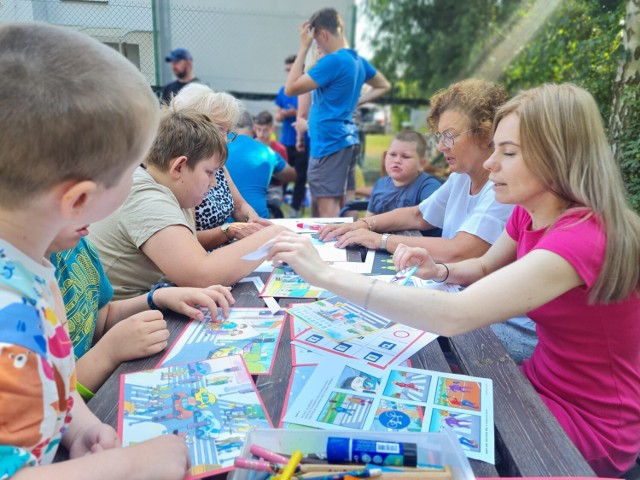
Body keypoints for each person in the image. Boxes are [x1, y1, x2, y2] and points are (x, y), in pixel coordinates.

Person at [266, 83, 640, 477]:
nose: (492, 163)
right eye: (495, 148)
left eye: (508, 152)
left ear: (557, 156)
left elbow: (455, 315)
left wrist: (324, 274)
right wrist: (438, 270)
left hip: (590, 425)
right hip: (532, 383)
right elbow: (481, 268)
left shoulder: (583, 236)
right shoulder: (529, 213)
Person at [0, 22, 190, 478]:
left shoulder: (32, 263)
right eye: (133, 169)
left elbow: (46, 379)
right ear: (80, 200)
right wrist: (131, 466)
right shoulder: (8, 311)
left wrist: (77, 425)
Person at [89, 110, 286, 300]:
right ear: (179, 167)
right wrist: (271, 237)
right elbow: (202, 276)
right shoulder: (145, 198)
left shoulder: (171, 189)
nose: (214, 183)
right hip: (123, 320)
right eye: (209, 172)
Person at [49, 231, 234, 400]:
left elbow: (101, 318)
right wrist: (108, 353)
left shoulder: (78, 246)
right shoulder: (26, 292)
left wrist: (158, 298)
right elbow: (49, 400)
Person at [285, 7, 391, 217]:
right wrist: (357, 102)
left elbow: (291, 88)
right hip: (347, 141)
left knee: (327, 212)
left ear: (323, 34)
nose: (316, 46)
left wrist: (303, 48)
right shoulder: (357, 61)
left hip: (328, 144)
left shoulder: (332, 61)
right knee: (347, 205)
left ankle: (330, 250)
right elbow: (383, 85)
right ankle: (351, 247)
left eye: (316, 41)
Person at [171, 83, 271, 251]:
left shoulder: (219, 167)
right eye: (220, 130)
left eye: (227, 132)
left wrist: (251, 218)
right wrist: (229, 230)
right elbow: (189, 240)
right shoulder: (184, 170)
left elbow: (239, 206)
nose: (225, 139)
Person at [225, 111, 296, 219]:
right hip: (258, 221)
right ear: (253, 128)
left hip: (219, 225)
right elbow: (292, 175)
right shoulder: (268, 152)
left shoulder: (217, 146)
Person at [366, 130, 442, 223]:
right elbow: (367, 220)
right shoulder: (380, 184)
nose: (397, 160)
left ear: (421, 164)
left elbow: (431, 216)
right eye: (392, 154)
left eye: (405, 156)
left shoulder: (428, 186)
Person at [275, 54, 310, 217]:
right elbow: (277, 116)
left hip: (305, 141)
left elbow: (309, 113)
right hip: (286, 141)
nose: (290, 73)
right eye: (287, 70)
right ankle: (277, 204)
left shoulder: (308, 88)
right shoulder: (284, 90)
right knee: (282, 174)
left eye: (292, 69)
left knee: (300, 177)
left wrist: (296, 113)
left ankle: (295, 208)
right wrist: (283, 114)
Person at [253, 110, 292, 215]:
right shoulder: (250, 146)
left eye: (265, 130)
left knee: (274, 201)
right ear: (254, 129)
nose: (261, 134)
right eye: (258, 130)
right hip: (254, 185)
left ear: (272, 129)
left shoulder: (279, 149)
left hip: (273, 187)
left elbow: (284, 178)